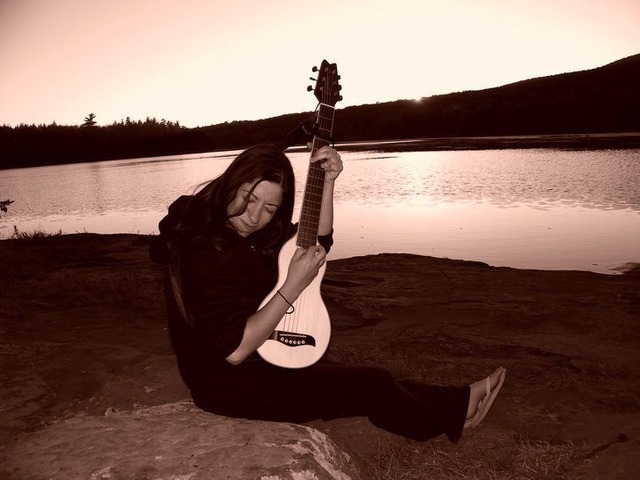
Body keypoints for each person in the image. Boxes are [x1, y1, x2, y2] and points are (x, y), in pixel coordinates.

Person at [150, 143, 506, 443]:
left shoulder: (228, 229)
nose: (254, 216)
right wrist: (292, 286)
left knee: (360, 376)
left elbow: (313, 243)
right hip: (229, 386)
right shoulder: (210, 251)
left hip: (251, 364)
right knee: (370, 384)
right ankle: (440, 423)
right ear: (232, 182)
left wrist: (328, 183)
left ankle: (458, 400)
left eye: (269, 208)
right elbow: (235, 350)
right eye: (249, 198)